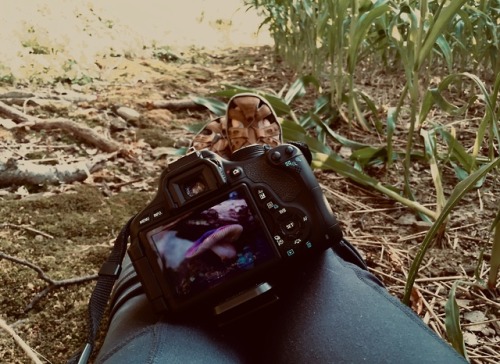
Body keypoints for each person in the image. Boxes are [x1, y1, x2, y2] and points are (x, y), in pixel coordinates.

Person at [93, 94, 466, 363]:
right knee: (318, 265)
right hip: (305, 285)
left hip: (175, 323)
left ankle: (190, 208)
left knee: (147, 278)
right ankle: (235, 179)